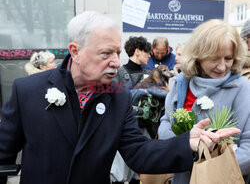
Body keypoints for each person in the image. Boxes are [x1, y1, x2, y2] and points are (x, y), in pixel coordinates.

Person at [0, 12, 240, 184]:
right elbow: (3, 156)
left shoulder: (118, 98)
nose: (116, 62)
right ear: (75, 51)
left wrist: (186, 143)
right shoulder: (27, 90)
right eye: (106, 53)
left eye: (117, 52)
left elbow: (139, 152)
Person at [158, 19, 250, 184]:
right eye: (214, 59)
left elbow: (248, 149)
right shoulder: (181, 83)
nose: (222, 67)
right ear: (198, 56)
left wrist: (205, 170)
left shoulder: (243, 89)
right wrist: (186, 149)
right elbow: (165, 124)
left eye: (228, 58)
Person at [111, 36, 151, 184]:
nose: (149, 55)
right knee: (121, 174)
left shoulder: (151, 73)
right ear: (137, 51)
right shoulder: (119, 73)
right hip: (125, 130)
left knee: (140, 172)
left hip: (146, 128)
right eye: (146, 51)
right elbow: (115, 100)